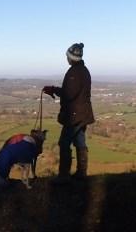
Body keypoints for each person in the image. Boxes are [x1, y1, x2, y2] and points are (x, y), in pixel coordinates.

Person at [43, 42, 94, 183]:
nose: (66, 58)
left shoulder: (74, 73)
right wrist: (54, 90)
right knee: (80, 142)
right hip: (83, 114)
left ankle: (64, 176)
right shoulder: (84, 70)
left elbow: (68, 94)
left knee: (64, 143)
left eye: (67, 56)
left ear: (71, 57)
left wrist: (53, 89)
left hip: (74, 116)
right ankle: (81, 173)